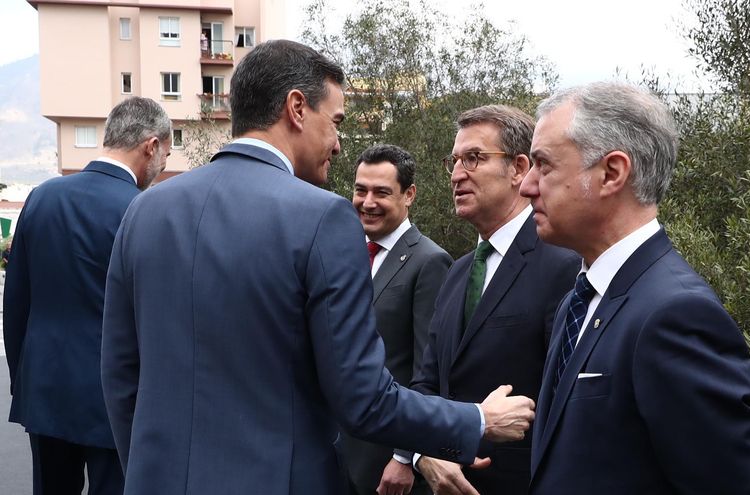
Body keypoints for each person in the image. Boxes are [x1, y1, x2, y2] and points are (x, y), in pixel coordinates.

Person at [100, 40, 534, 495]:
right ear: (297, 108)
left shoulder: (145, 211)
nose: (338, 143)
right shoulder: (321, 217)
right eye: (337, 122)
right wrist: (477, 419)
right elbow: (362, 399)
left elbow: (119, 374)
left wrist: (148, 471)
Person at [520, 82, 750, 494]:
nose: (527, 185)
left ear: (612, 173)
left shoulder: (676, 315)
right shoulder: (577, 301)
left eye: (544, 166)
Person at [405, 105, 579, 495]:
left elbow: (568, 405)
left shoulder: (564, 266)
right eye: (454, 161)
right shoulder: (457, 273)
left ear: (519, 168)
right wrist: (423, 454)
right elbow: (426, 383)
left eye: (474, 158)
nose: (456, 174)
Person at [3, 96, 171, 495]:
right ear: (150, 146)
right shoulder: (142, 211)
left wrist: (23, 379)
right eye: (165, 153)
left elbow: (16, 302)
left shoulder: (43, 196)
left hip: (44, 388)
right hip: (115, 401)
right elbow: (155, 318)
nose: (163, 165)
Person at [341, 144, 450, 495]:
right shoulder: (345, 252)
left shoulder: (430, 262)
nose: (367, 202)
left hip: (386, 461)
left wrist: (405, 457)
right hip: (339, 451)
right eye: (361, 190)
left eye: (381, 192)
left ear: (409, 195)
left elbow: (426, 369)